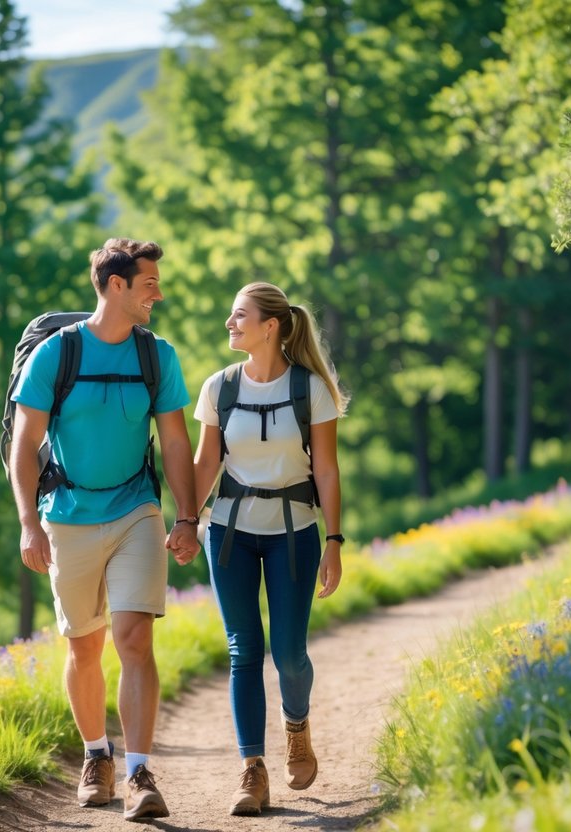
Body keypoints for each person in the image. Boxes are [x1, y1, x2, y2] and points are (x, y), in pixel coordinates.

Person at [9, 238, 200, 823]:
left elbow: (173, 441)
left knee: (134, 640)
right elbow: (23, 444)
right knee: (83, 646)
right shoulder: (56, 356)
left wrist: (187, 516)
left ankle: (140, 772)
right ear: (116, 285)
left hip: (136, 511)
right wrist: (27, 525)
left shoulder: (156, 356)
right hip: (66, 517)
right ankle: (98, 758)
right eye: (149, 285)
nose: (158, 295)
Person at [190, 281, 348, 816]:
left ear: (271, 325)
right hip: (229, 530)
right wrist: (185, 521)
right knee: (243, 649)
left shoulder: (310, 390)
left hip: (296, 531)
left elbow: (325, 468)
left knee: (289, 653)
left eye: (239, 316)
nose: (230, 324)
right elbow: (204, 464)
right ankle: (252, 770)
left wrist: (334, 540)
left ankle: (297, 725)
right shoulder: (219, 387)